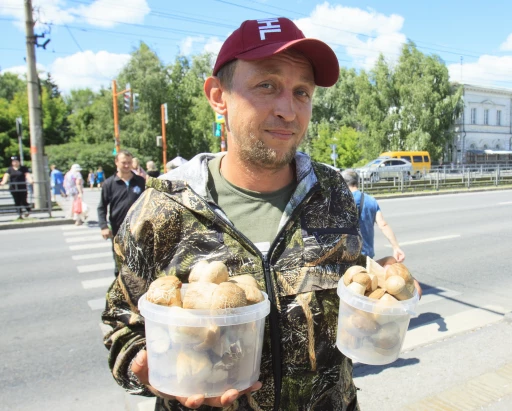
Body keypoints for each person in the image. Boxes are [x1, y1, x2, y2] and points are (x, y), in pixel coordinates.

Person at [102, 17, 421, 411]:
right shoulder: (162, 210)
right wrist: (143, 365)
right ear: (218, 95)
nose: (288, 110)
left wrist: (380, 290)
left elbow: (351, 291)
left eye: (302, 92)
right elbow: (122, 325)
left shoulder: (333, 192)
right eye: (266, 86)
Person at [97, 150, 146, 277]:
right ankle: (122, 291)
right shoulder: (109, 183)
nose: (126, 165)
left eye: (129, 162)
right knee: (120, 265)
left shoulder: (140, 181)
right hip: (118, 230)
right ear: (116, 162)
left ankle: (138, 293)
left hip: (139, 230)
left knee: (139, 264)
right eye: (124, 162)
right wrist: (103, 227)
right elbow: (102, 207)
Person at [341, 170, 406, 262]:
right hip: (366, 257)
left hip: (345, 257)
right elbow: (383, 224)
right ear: (358, 182)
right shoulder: (370, 200)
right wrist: (396, 247)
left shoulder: (338, 201)